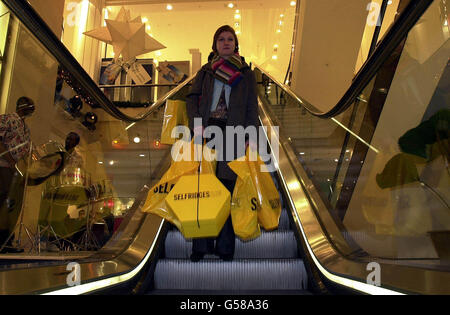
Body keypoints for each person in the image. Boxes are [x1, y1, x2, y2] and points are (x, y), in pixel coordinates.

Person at [186, 25, 259, 262]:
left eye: (230, 39)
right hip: (208, 133)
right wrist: (198, 128)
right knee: (205, 191)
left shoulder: (246, 73)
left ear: (235, 44)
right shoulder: (205, 72)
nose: (226, 42)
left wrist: (250, 136)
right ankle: (200, 247)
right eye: (221, 39)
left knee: (228, 191)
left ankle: (225, 248)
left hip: (234, 134)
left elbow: (251, 107)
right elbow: (192, 100)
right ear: (215, 44)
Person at [0, 96, 35, 252]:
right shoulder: (7, 119)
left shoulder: (26, 128)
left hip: (16, 170)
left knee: (10, 206)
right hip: (3, 166)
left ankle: (6, 240)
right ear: (22, 107)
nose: (32, 111)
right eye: (30, 107)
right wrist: (10, 161)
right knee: (2, 201)